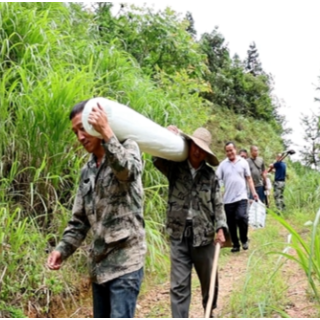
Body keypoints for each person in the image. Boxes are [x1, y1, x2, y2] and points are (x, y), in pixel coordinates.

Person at [47, 101, 146, 319]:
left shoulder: (128, 147)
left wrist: (107, 132)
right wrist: (61, 250)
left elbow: (128, 172)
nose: (80, 137)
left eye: (83, 128)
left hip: (126, 262)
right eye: (75, 132)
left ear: (96, 124)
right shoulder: (87, 170)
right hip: (99, 268)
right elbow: (79, 222)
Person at [153, 126, 228, 319]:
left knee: (209, 279)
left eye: (202, 149)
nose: (197, 151)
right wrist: (167, 136)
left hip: (203, 234)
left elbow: (218, 203)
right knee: (178, 285)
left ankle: (208, 311)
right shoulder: (174, 167)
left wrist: (220, 227)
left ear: (206, 153)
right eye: (195, 146)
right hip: (179, 234)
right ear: (190, 145)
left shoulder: (210, 175)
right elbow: (156, 157)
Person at [217, 142, 258, 253]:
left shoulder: (243, 162)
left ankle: (244, 239)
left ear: (235, 149)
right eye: (227, 151)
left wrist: (253, 192)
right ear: (225, 152)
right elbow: (217, 180)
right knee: (231, 223)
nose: (230, 153)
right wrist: (218, 194)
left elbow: (249, 178)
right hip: (228, 199)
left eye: (231, 150)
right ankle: (235, 244)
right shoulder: (223, 165)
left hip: (242, 197)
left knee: (242, 217)